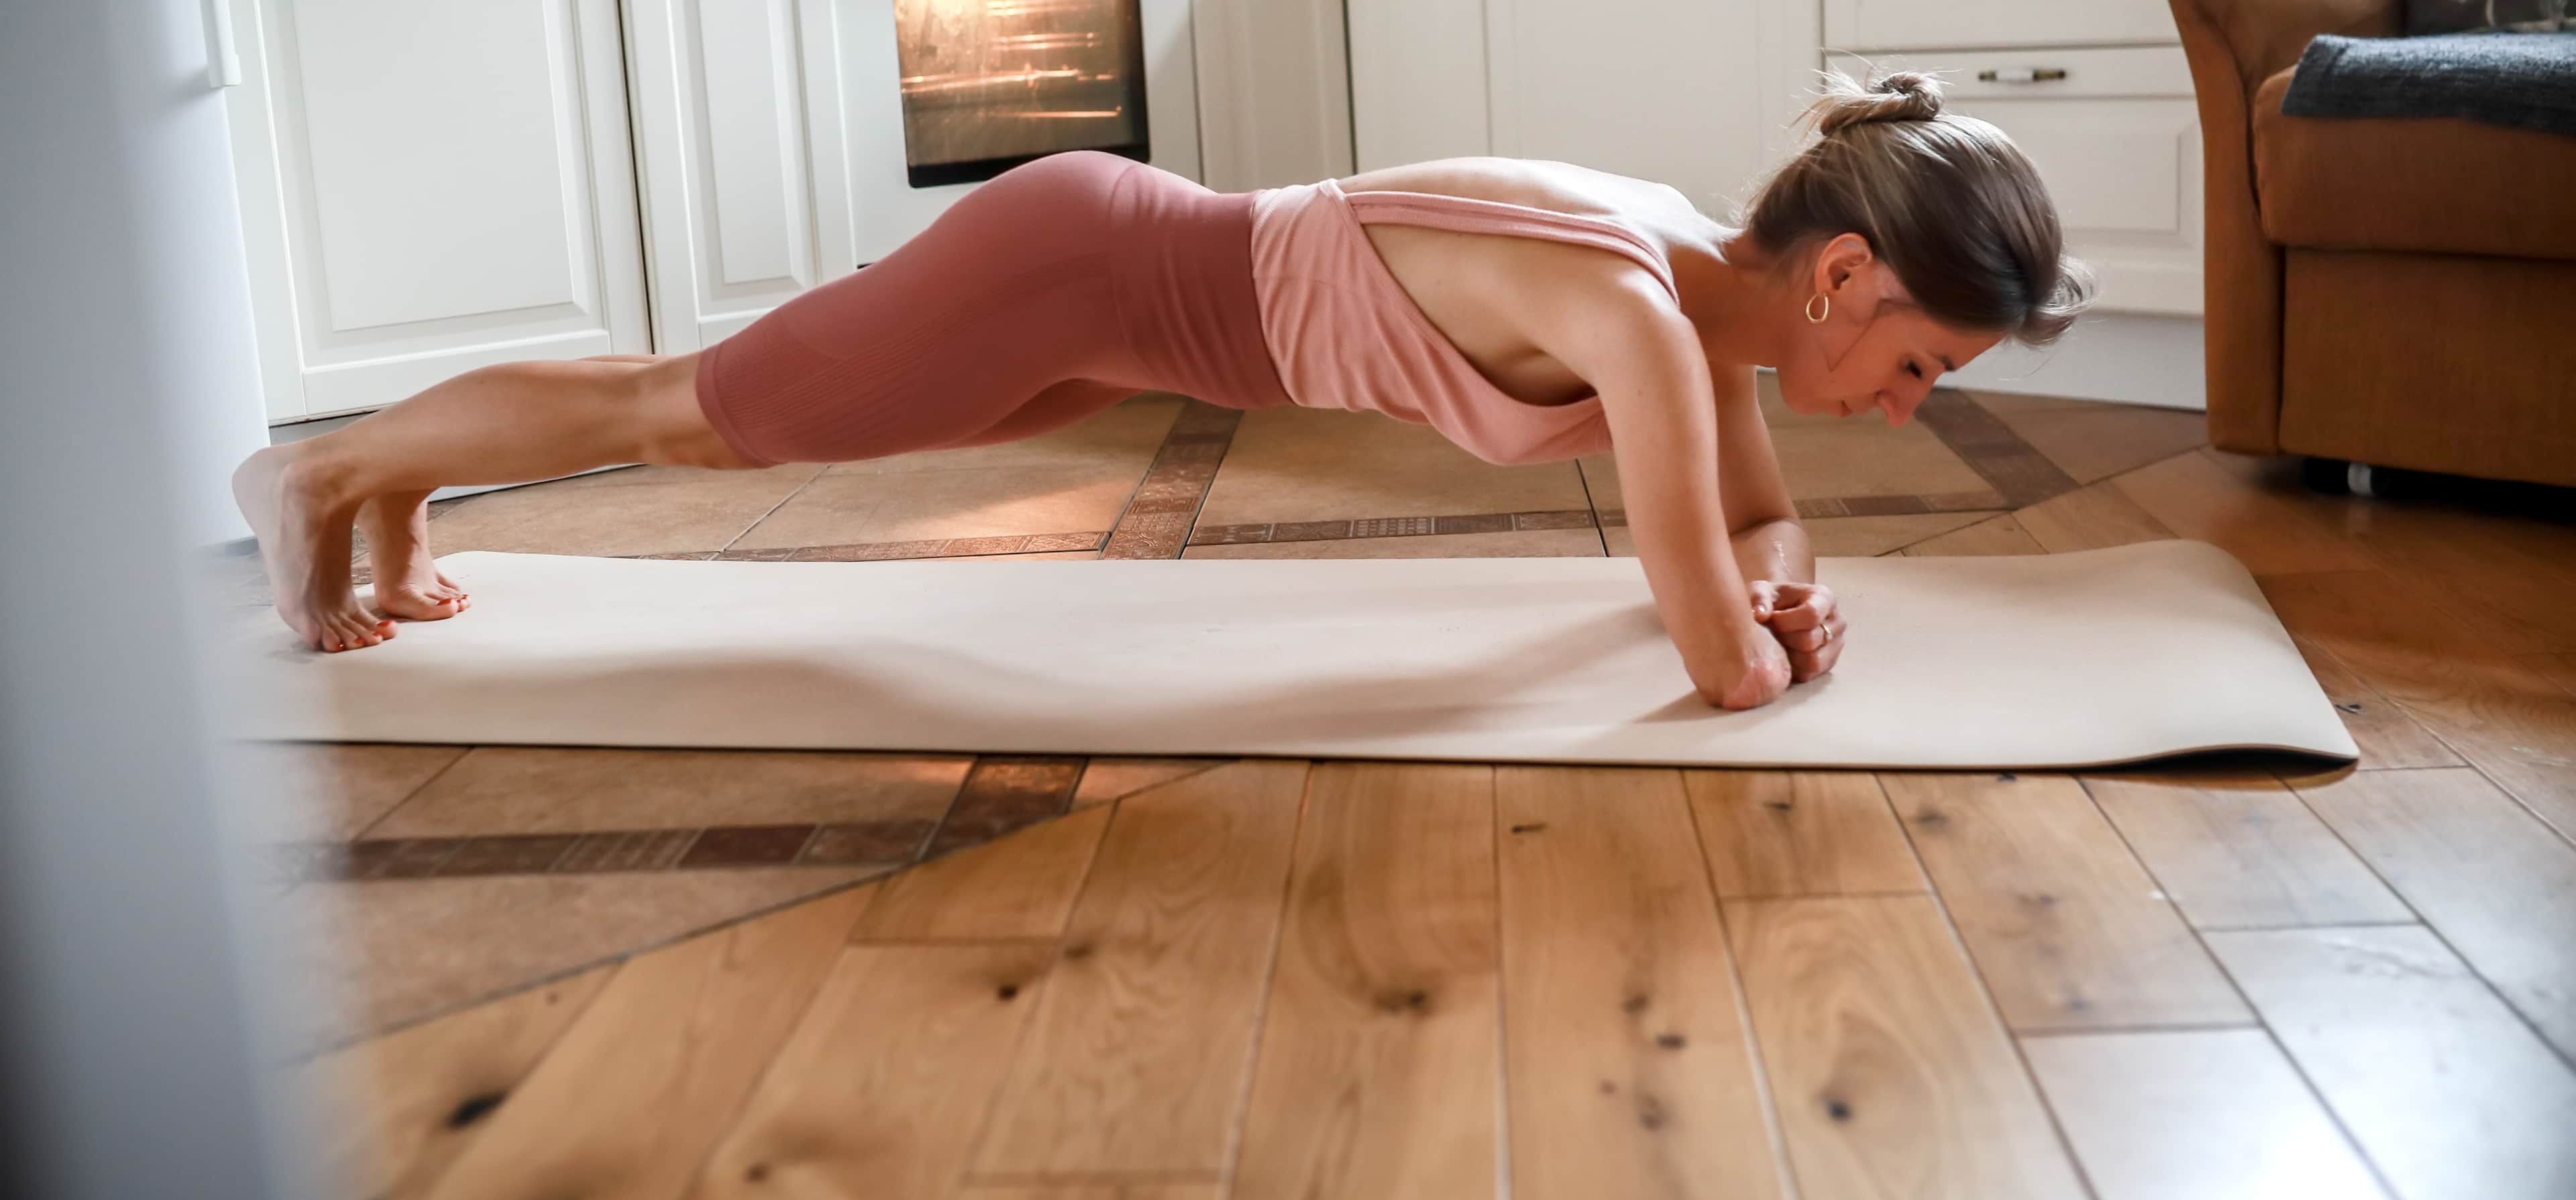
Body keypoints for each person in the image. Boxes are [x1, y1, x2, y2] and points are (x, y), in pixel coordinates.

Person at [233, 69, 2090, 711]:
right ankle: (319, 475)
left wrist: (1790, 587)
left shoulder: (1694, 295)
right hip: (1080, 277)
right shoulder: (1640, 315)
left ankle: (392, 491)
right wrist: (1766, 637)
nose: (1909, 405)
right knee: (688, 414)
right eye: (1919, 362)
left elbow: (1756, 529)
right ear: (1843, 277)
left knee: (694, 403)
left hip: (1107, 315)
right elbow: (1712, 648)